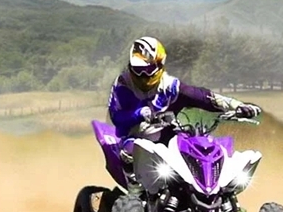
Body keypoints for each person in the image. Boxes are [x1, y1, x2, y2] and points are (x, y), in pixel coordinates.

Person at [107, 36, 262, 163]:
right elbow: (116, 118)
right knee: (130, 151)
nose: (142, 75)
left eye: (147, 70)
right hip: (134, 138)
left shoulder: (171, 87)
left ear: (159, 65)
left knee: (198, 147)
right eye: (138, 69)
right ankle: (134, 187)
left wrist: (238, 106)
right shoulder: (123, 84)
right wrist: (138, 114)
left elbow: (205, 97)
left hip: (169, 137)